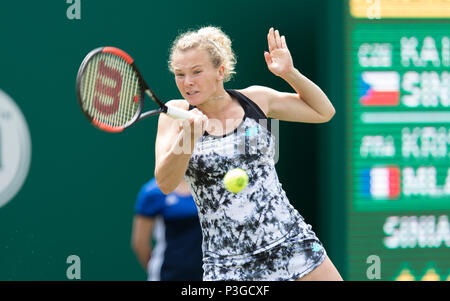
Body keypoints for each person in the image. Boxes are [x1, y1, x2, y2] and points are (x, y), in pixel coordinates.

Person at [154, 26, 343, 281]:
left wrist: (290, 73)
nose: (187, 82)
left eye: (197, 72)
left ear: (220, 71)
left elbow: (324, 112)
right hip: (229, 265)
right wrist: (187, 136)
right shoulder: (174, 114)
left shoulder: (255, 100)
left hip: (291, 242)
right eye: (180, 74)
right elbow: (165, 183)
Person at [131, 178, 203, 281]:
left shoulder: (213, 189)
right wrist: (155, 269)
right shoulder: (153, 192)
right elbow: (140, 243)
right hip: (167, 273)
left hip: (210, 272)